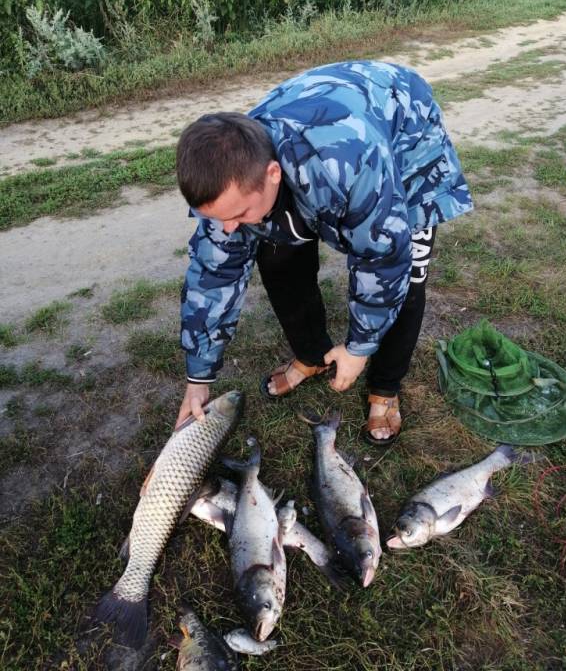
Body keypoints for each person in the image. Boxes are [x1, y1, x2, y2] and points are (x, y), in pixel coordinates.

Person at [174, 60, 473, 444]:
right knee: (277, 255)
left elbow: (383, 260)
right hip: (326, 120)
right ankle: (313, 355)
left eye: (240, 214)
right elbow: (213, 277)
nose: (229, 227)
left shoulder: (350, 167)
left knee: (407, 277)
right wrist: (198, 378)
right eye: (219, 218)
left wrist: (359, 346)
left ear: (272, 174)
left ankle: (384, 386)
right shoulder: (230, 179)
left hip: (403, 130)